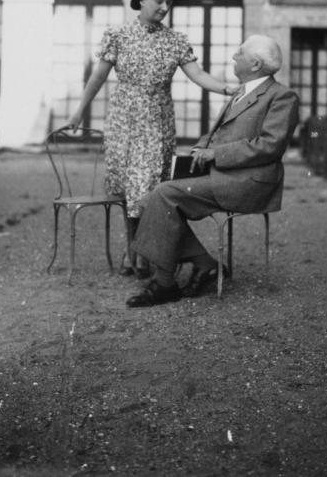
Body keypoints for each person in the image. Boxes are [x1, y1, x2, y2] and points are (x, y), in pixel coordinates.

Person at [63, 0, 240, 278]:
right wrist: (79, 111)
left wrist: (226, 89)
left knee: (146, 191)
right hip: (123, 123)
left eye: (168, 2)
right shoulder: (117, 35)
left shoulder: (175, 40)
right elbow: (98, 77)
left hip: (158, 126)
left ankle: (143, 254)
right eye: (159, 1)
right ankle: (134, 252)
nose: (164, 7)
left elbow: (197, 74)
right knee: (129, 193)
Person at [125, 34, 300, 307]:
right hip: (226, 175)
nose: (233, 57)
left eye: (239, 52)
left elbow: (270, 146)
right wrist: (199, 149)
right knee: (149, 201)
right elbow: (216, 133)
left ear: (254, 63)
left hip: (249, 182)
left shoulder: (282, 97)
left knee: (163, 195)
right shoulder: (241, 91)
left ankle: (164, 283)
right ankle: (205, 263)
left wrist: (215, 154)